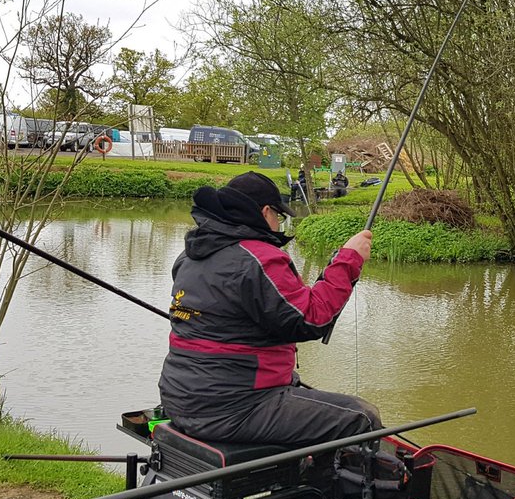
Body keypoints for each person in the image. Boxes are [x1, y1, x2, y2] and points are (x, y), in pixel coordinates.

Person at [158, 172, 381, 446]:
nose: (279, 224)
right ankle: (316, 485)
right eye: (279, 215)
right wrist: (349, 259)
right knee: (362, 417)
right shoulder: (258, 259)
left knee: (294, 383)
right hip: (231, 408)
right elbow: (310, 319)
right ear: (265, 212)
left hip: (178, 397)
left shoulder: (190, 255)